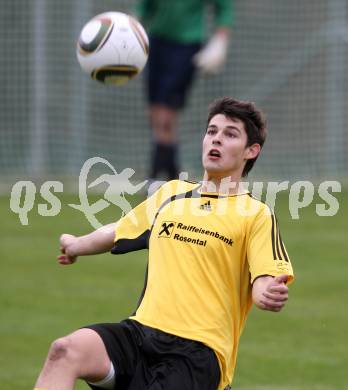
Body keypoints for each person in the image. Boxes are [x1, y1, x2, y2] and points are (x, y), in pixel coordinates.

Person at [34, 97, 294, 390]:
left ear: (251, 150)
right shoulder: (171, 194)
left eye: (230, 134)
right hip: (140, 334)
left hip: (197, 355)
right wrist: (75, 244)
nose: (216, 139)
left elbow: (264, 278)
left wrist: (266, 293)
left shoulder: (256, 214)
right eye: (211, 131)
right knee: (64, 351)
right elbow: (118, 230)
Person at [136, 0, 233, 181]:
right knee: (156, 117)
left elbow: (224, 8)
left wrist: (221, 40)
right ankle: (174, 179)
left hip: (186, 46)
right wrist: (128, 29)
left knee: (165, 117)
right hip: (156, 42)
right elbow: (144, 7)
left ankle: (154, 180)